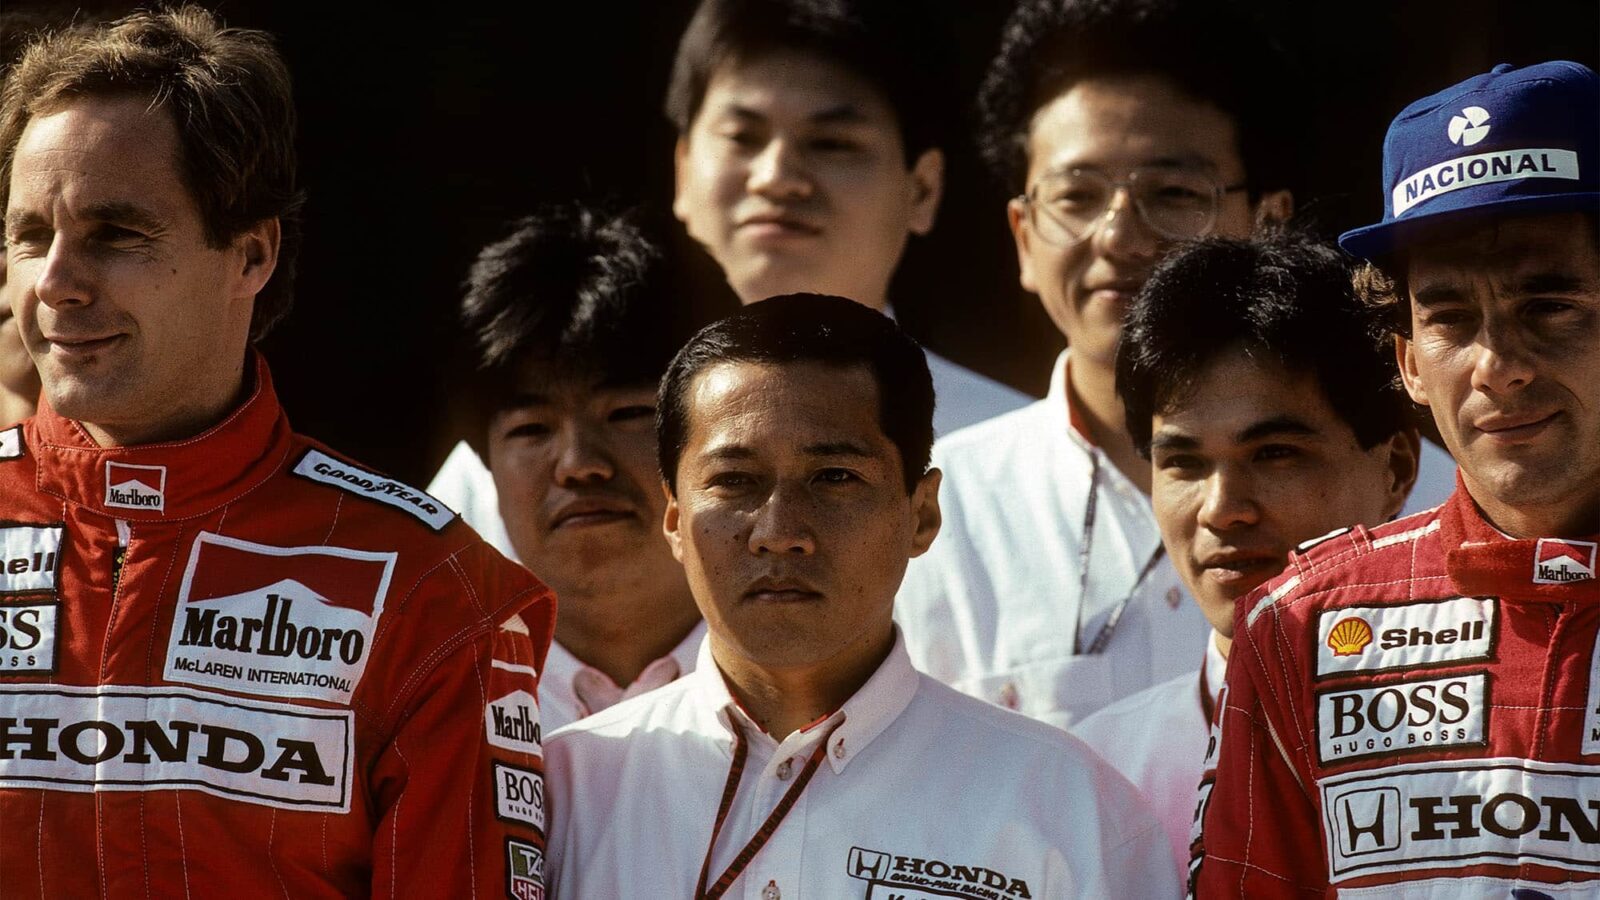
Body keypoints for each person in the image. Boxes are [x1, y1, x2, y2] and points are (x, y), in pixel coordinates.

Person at [0, 9, 554, 897]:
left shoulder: (430, 589)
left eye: (115, 233)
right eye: (31, 235)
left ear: (252, 252)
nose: (56, 282)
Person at [544, 294, 1177, 898]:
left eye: (835, 477)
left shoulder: (1066, 807)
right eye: (733, 481)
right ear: (676, 521)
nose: (779, 533)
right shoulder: (566, 792)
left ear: (922, 515)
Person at [1191, 60, 1600, 897]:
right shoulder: (1300, 628)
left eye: (1548, 305)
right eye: (1450, 318)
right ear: (1409, 363)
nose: (1498, 366)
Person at [898, 0, 1351, 730]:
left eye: (1172, 194)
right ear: (1022, 235)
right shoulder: (933, 518)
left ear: (1270, 221)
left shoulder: (1419, 495)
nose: (1117, 235)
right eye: (1076, 196)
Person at [1070, 232, 1420, 880]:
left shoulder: (1490, 752)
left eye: (1275, 454)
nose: (1222, 507)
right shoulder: (1090, 774)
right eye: (1183, 463)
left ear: (1396, 468)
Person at [665, 0, 1031, 435]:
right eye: (742, 137)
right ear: (683, 171)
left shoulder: (1004, 454)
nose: (775, 178)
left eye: (831, 143)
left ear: (922, 189)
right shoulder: (593, 451)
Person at [457, 204, 704, 732]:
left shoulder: (816, 681)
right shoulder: (431, 701)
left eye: (626, 414)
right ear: (486, 461)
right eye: (531, 429)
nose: (578, 465)